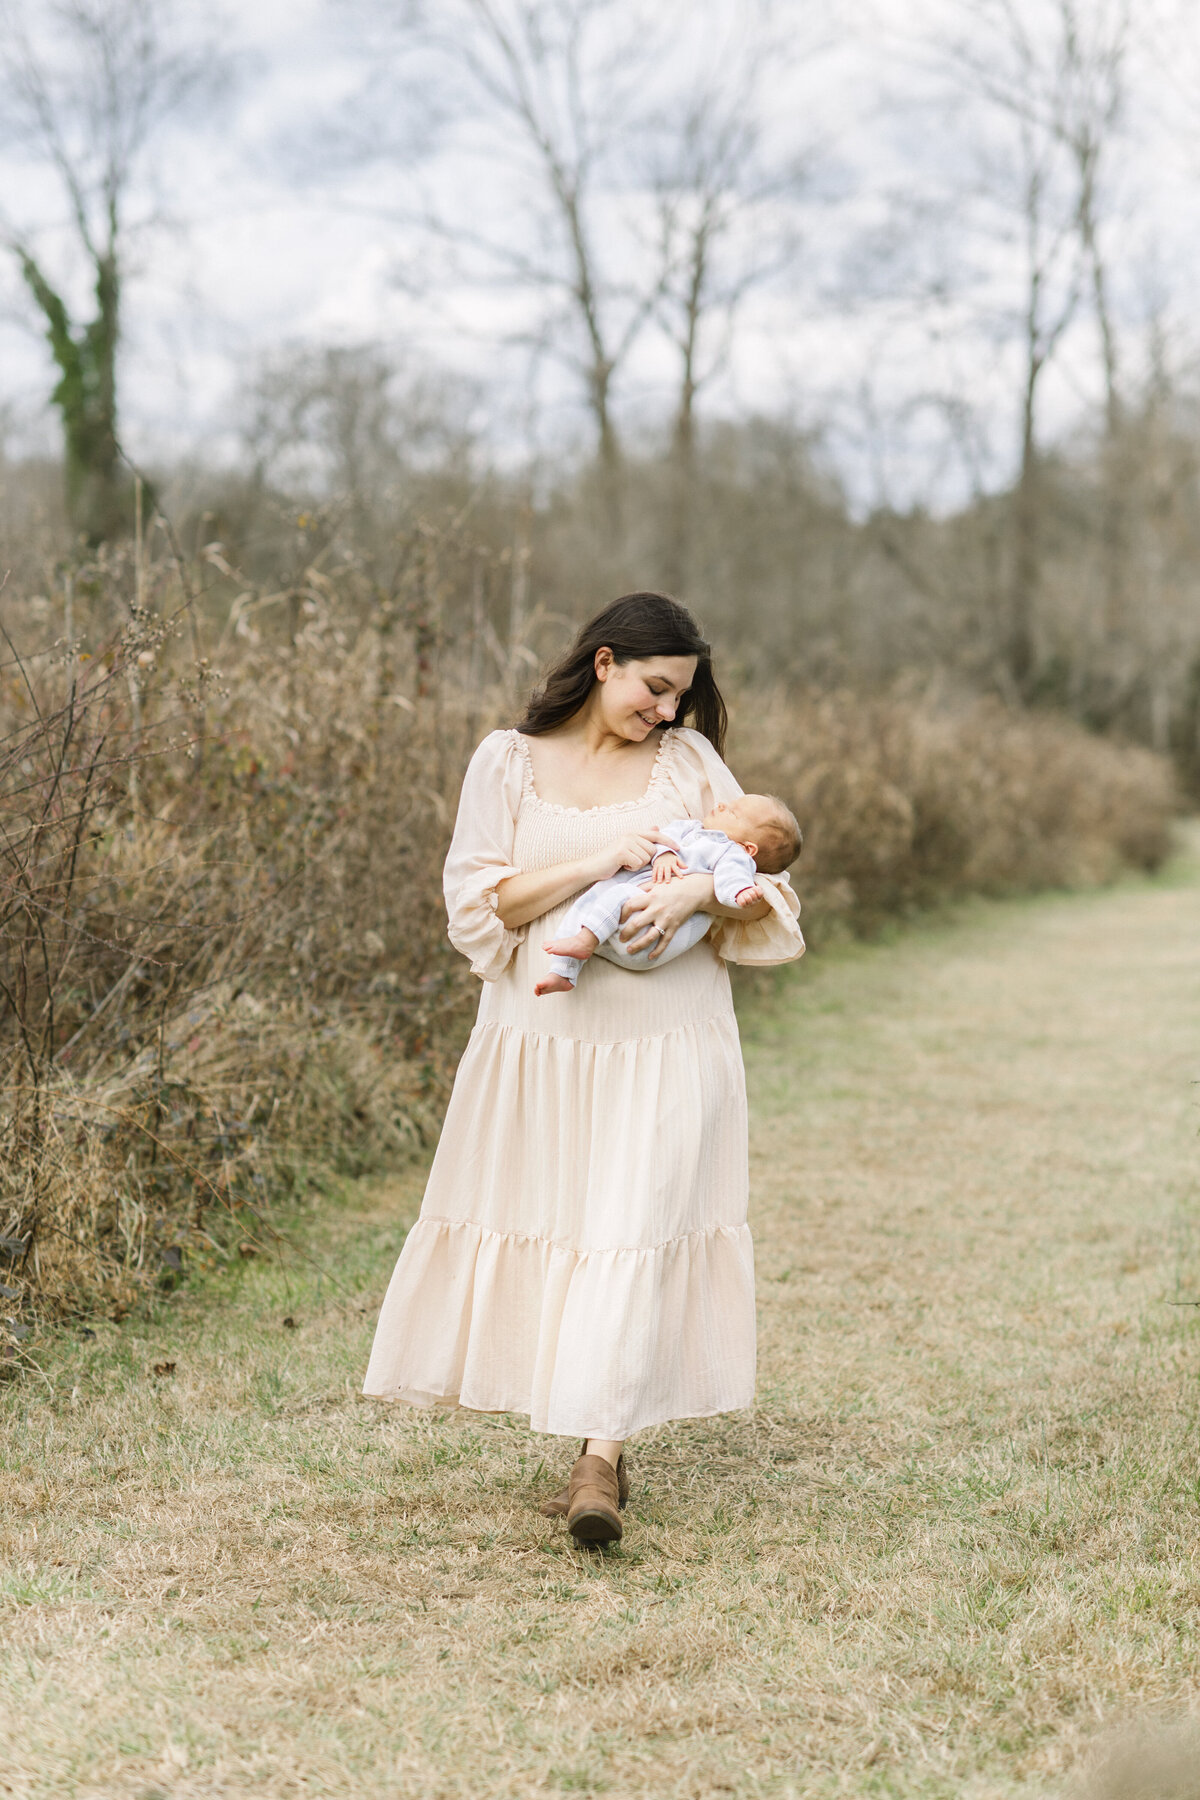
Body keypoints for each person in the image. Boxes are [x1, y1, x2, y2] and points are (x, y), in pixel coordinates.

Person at [362, 592, 805, 1545]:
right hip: (544, 1046)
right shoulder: (505, 762)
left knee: (633, 1227)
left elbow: (762, 877)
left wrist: (694, 885)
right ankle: (582, 1426)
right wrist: (597, 860)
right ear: (603, 664)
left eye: (681, 696)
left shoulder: (685, 765)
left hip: (668, 1041)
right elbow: (480, 908)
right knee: (565, 1224)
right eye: (656, 688)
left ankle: (600, 1460)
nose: (669, 712)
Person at [534, 794, 802, 994]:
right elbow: (664, 839)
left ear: (749, 848)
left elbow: (732, 879)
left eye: (732, 813)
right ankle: (562, 973)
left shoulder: (730, 853)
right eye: (728, 803)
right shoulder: (690, 828)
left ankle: (586, 940)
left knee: (619, 894)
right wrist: (664, 854)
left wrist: (740, 893)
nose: (721, 805)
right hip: (631, 920)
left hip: (652, 935)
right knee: (587, 903)